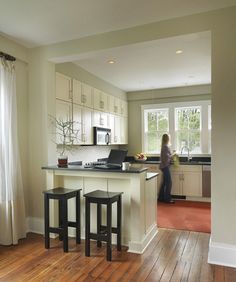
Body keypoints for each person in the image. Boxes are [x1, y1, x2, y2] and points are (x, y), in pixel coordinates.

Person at [158, 133, 175, 204]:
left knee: (164, 182)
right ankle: (167, 199)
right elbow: (167, 157)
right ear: (167, 139)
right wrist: (173, 154)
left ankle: (161, 197)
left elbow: (166, 156)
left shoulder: (164, 146)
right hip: (165, 166)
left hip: (163, 166)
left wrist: (171, 156)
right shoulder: (165, 147)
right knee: (169, 182)